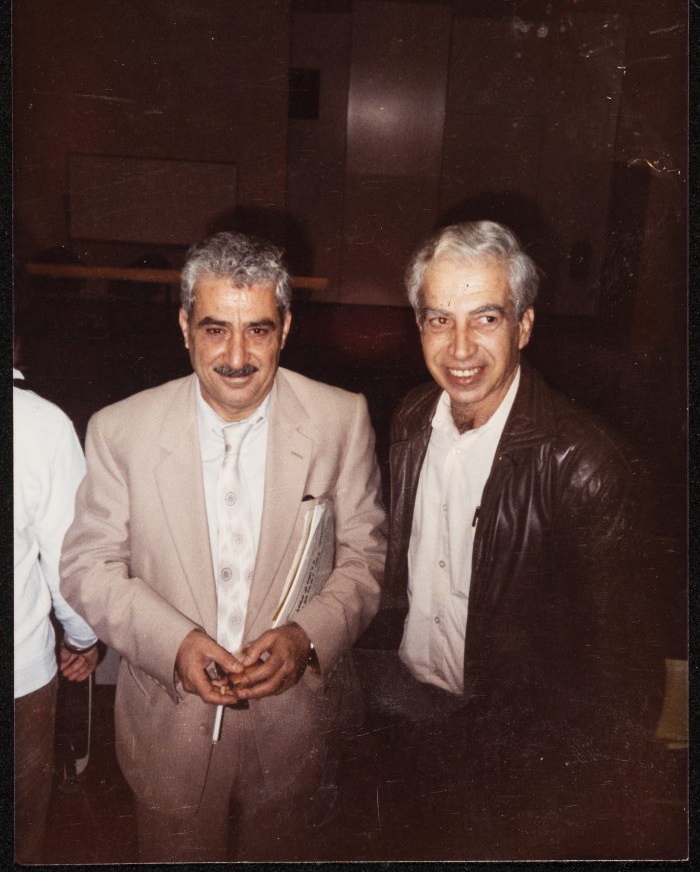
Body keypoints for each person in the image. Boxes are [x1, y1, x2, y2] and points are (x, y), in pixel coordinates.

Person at [60, 231, 387, 862]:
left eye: (258, 330)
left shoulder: (339, 420)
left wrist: (307, 638)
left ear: (284, 328)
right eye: (215, 329)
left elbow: (366, 556)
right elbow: (87, 566)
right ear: (185, 326)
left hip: (294, 724)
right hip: (169, 724)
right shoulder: (120, 430)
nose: (237, 356)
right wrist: (173, 644)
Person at [356, 220, 663, 860]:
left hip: (518, 752)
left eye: (486, 319)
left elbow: (623, 677)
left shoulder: (586, 467)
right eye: (439, 320)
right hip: (409, 717)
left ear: (523, 326)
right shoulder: (412, 417)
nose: (460, 347)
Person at [14, 366, 99, 865]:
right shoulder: (38, 422)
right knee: (19, 829)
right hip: (18, 675)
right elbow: (68, 557)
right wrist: (82, 639)